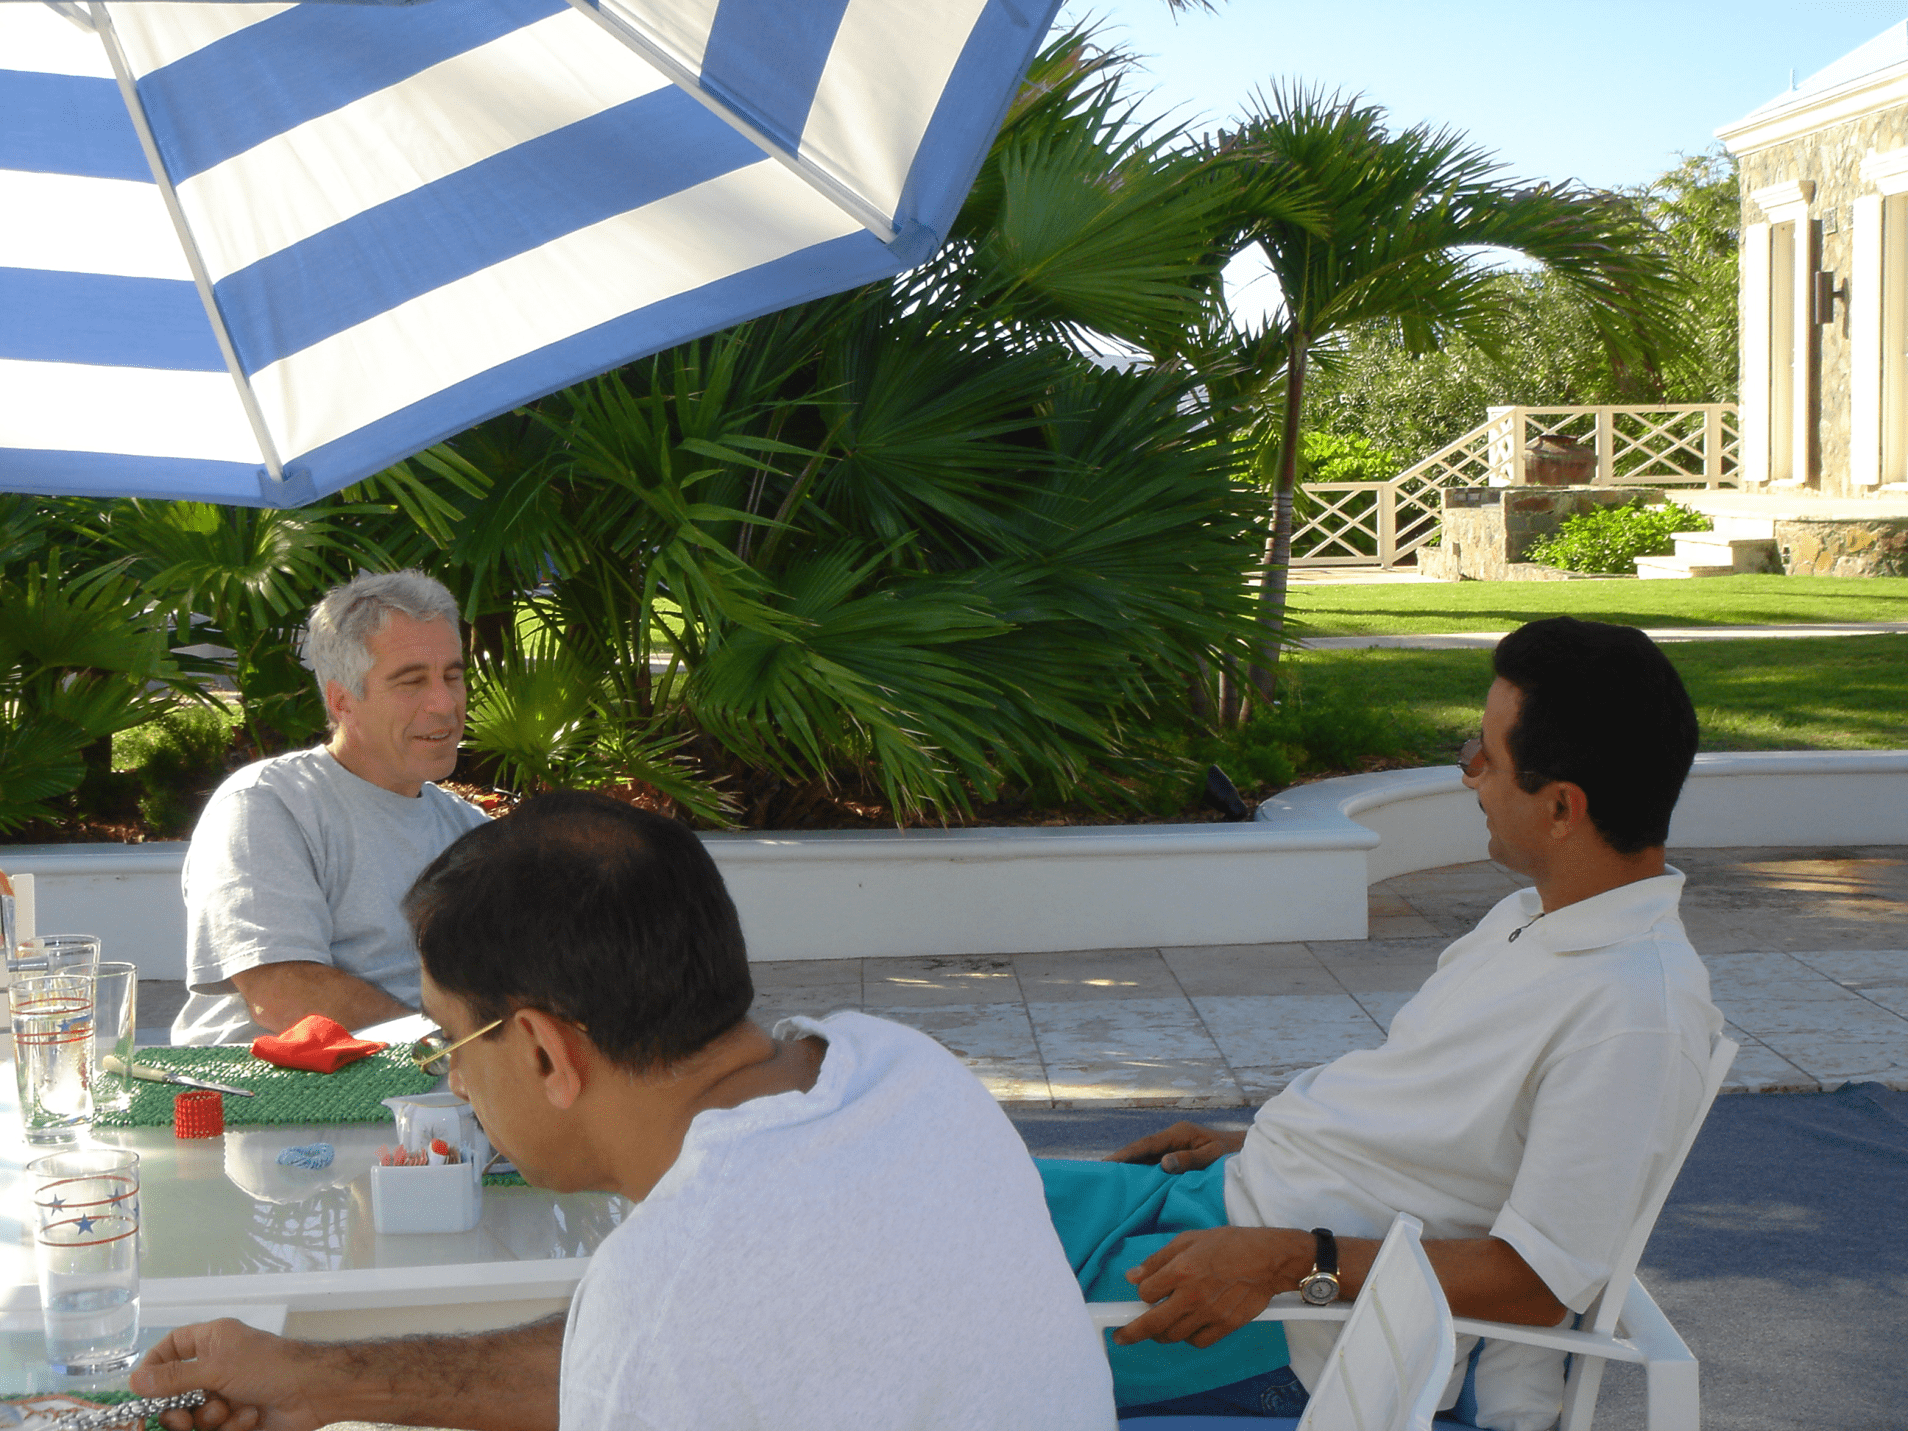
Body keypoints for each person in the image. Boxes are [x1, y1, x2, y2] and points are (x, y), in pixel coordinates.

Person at [135, 791, 1116, 1431]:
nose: (456, 1083)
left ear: (544, 1052)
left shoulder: (667, 1296)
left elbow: (661, 1333)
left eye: (452, 1043)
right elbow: (676, 1340)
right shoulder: (902, 1067)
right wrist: (319, 1377)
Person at [1041, 617, 1721, 1431]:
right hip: (1224, 1202)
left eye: (1485, 757)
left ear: (1562, 806)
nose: (1468, 775)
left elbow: (1535, 1286)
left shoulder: (1634, 1015)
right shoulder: (1529, 920)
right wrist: (1259, 1143)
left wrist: (1295, 1259)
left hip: (1278, 1316)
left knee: (929, 1315)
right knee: (935, 1186)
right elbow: (1427, 1134)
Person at [171, 570, 488, 1045]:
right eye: (411, 682)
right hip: (273, 1085)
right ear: (342, 702)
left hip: (439, 1075)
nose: (444, 704)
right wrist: (449, 1050)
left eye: (452, 676)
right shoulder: (266, 804)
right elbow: (282, 995)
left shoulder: (470, 829)